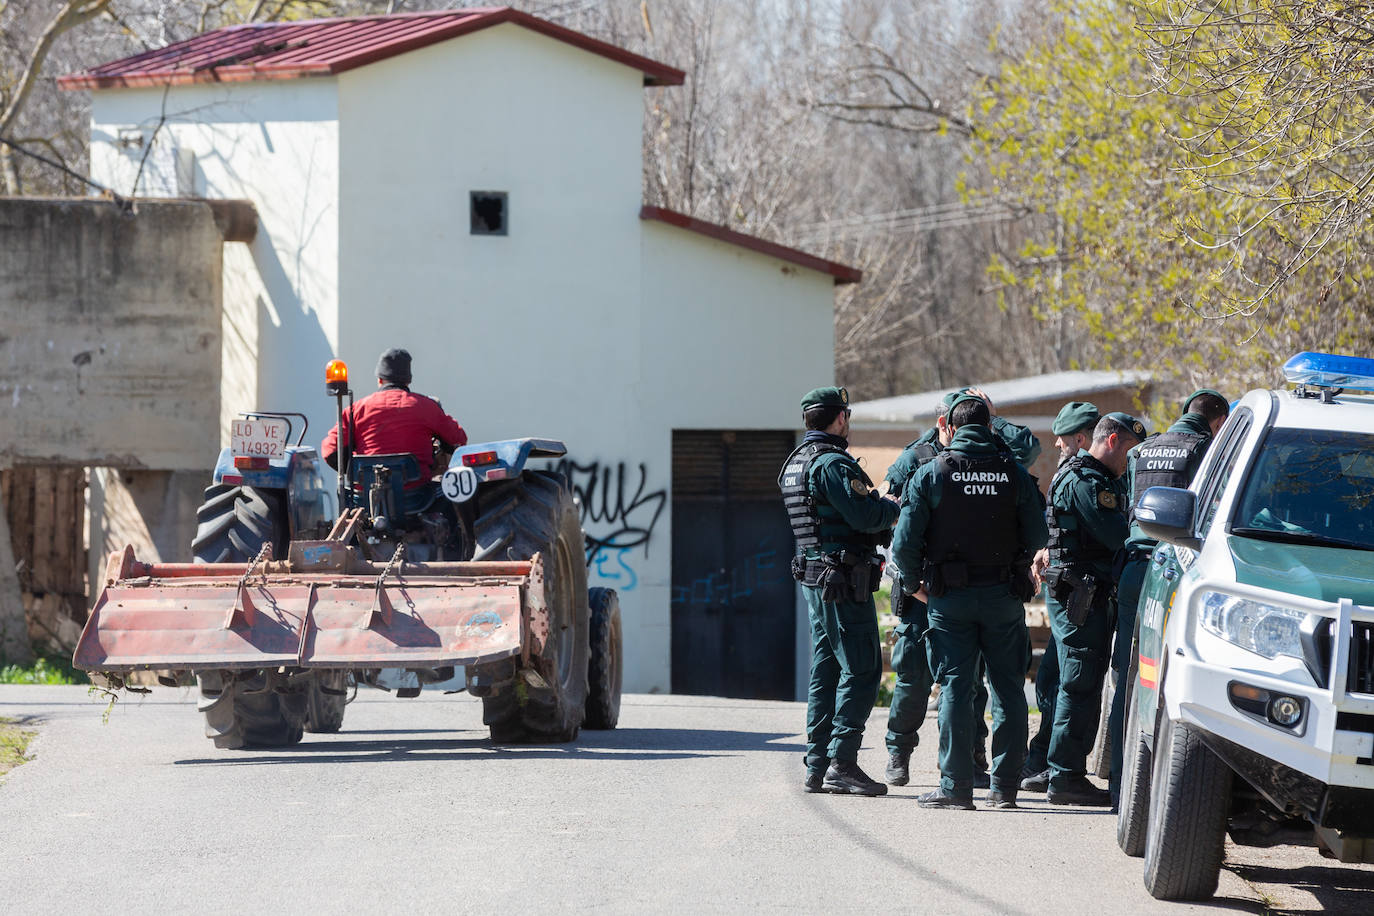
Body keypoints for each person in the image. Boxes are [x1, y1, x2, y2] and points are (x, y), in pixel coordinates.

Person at [891, 394, 1048, 810]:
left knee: (957, 689)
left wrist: (913, 585)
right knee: (1009, 691)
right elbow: (1037, 538)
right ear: (990, 427)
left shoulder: (931, 473)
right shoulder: (1014, 474)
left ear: (952, 429)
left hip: (949, 600)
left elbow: (904, 544)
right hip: (1002, 597)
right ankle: (1005, 788)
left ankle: (956, 787)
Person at [1107, 389, 1228, 806]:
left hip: (1136, 569)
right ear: (1217, 423)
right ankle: (1163, 790)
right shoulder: (1208, 450)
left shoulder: (1143, 450)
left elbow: (1129, 509)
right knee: (1175, 679)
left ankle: (1119, 781)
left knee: (1130, 673)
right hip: (1177, 574)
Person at [780, 386, 900, 796]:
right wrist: (891, 504)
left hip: (818, 579)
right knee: (863, 668)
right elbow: (866, 516)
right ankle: (842, 762)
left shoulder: (796, 462)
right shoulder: (832, 464)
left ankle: (817, 764)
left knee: (827, 669)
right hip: (842, 582)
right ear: (840, 419)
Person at [1034, 412, 1145, 806]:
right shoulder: (1087, 481)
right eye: (1129, 450)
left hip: (1085, 592)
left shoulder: (1095, 477)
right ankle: (1064, 776)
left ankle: (1059, 768)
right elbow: (1118, 536)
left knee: (1078, 680)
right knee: (1079, 683)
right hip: (1082, 594)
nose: (1130, 461)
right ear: (1112, 440)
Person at [1023, 400, 1100, 783]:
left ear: (1082, 438)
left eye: (1063, 438)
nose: (1055, 444)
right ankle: (1050, 764)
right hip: (1071, 595)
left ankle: (1045, 762)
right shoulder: (1078, 476)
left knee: (1063, 678)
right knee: (1062, 679)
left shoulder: (1082, 476)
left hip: (1074, 594)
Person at [321, 348, 467, 482]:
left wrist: (354, 467)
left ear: (379, 379)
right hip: (419, 497)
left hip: (368, 499)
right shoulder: (427, 406)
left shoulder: (356, 410)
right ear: (408, 380)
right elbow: (458, 440)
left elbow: (330, 452)